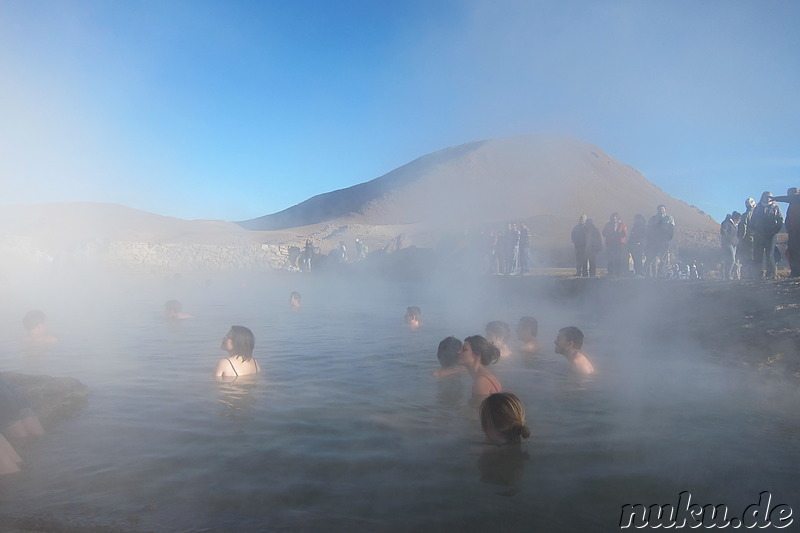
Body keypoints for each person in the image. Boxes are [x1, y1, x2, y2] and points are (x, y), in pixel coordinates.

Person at [459, 335, 502, 404]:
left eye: (464, 350)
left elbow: (477, 412)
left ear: (477, 355)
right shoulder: (484, 377)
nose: (459, 352)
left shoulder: (481, 381)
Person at [751, 191, 784, 280]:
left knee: (770, 255)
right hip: (759, 235)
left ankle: (771, 274)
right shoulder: (758, 207)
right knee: (758, 255)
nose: (768, 198)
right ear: (762, 197)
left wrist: (775, 230)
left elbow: (780, 220)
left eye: (770, 196)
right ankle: (758, 274)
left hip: (770, 235)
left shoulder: (775, 207)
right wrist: (754, 230)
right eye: (766, 196)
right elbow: (752, 220)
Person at [770, 188, 800, 277]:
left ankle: (796, 272)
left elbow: (788, 199)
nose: (789, 196)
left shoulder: (796, 199)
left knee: (795, 252)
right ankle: (795, 272)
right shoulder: (792, 204)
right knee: (792, 252)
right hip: (793, 232)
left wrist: (775, 198)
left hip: (797, 232)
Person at [644, 204, 675, 277]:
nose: (661, 210)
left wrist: (668, 239)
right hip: (654, 241)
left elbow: (671, 230)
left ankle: (661, 273)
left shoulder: (669, 218)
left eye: (663, 209)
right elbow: (649, 230)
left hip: (664, 241)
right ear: (657, 210)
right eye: (660, 209)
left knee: (663, 258)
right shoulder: (653, 219)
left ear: (665, 210)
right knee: (651, 257)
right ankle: (648, 273)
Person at [602, 212, 628, 276]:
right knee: (611, 258)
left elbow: (624, 234)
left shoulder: (622, 224)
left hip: (619, 244)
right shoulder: (608, 225)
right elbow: (604, 233)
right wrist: (610, 235)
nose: (614, 219)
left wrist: (616, 236)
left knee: (619, 258)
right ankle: (611, 272)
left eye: (616, 217)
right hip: (610, 244)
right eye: (613, 217)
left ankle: (619, 272)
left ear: (618, 217)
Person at [737, 198, 757, 279]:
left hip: (747, 239)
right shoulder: (758, 214)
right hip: (757, 239)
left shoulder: (745, 215)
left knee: (746, 258)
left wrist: (741, 238)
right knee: (754, 257)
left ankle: (747, 275)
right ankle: (754, 275)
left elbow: (743, 228)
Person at [719, 212, 741, 280]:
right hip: (727, 244)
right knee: (732, 259)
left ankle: (728, 275)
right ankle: (727, 275)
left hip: (734, 244)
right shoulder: (726, 223)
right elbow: (723, 232)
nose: (738, 221)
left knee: (730, 259)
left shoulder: (735, 225)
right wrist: (730, 240)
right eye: (738, 219)